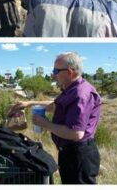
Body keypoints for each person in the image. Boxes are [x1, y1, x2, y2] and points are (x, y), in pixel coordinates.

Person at [9, 52, 101, 184]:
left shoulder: (81, 94)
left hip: (78, 156)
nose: (53, 75)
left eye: (56, 71)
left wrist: (45, 123)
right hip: (70, 154)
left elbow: (76, 133)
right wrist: (29, 104)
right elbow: (55, 106)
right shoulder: (72, 89)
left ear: (69, 72)